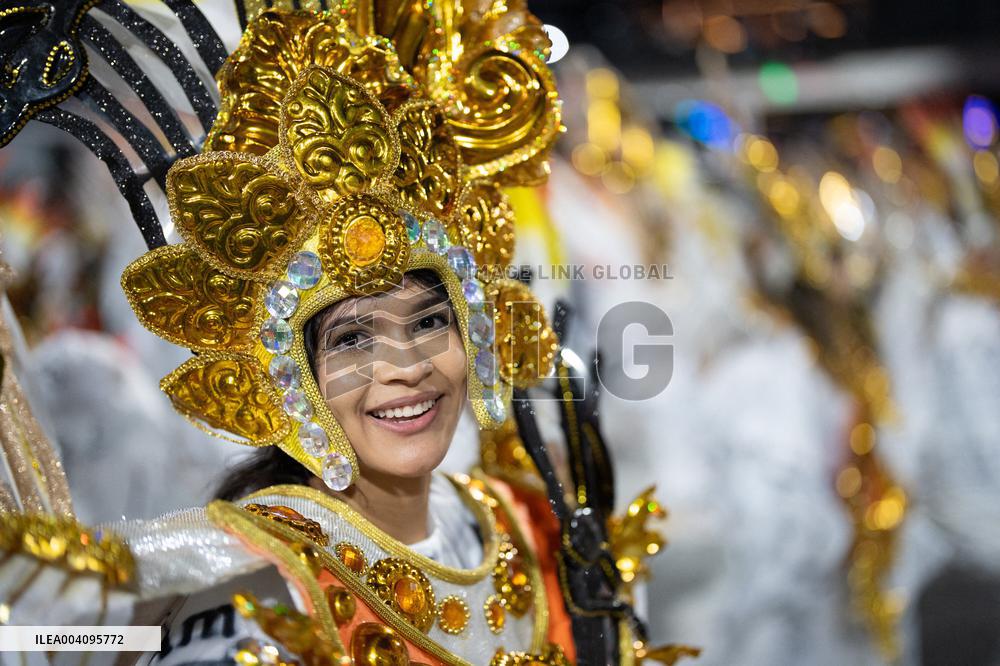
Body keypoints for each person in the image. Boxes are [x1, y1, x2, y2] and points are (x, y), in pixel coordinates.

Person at [0, 4, 666, 665]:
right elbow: (46, 636)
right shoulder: (249, 591)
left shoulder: (527, 520)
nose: (405, 366)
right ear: (290, 378)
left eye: (430, 322)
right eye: (353, 339)